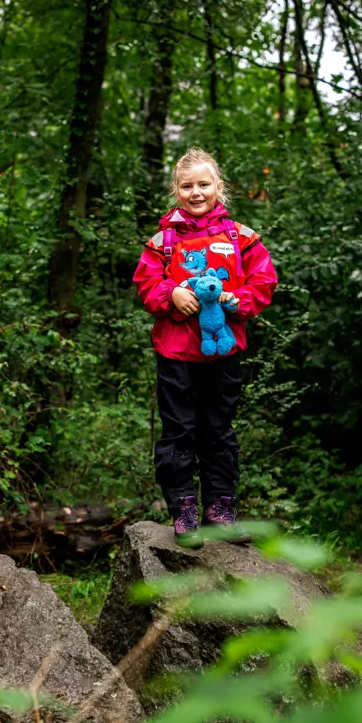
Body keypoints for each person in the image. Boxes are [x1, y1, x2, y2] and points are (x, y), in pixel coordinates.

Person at [132, 148, 277, 547]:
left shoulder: (242, 237)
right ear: (176, 191)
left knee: (219, 430)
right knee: (179, 431)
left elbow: (264, 283)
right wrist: (172, 295)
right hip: (176, 354)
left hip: (223, 354)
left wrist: (237, 301)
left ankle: (220, 509)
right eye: (187, 185)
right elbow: (146, 285)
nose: (196, 192)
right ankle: (183, 509)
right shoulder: (161, 241)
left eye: (203, 184)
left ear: (218, 188)